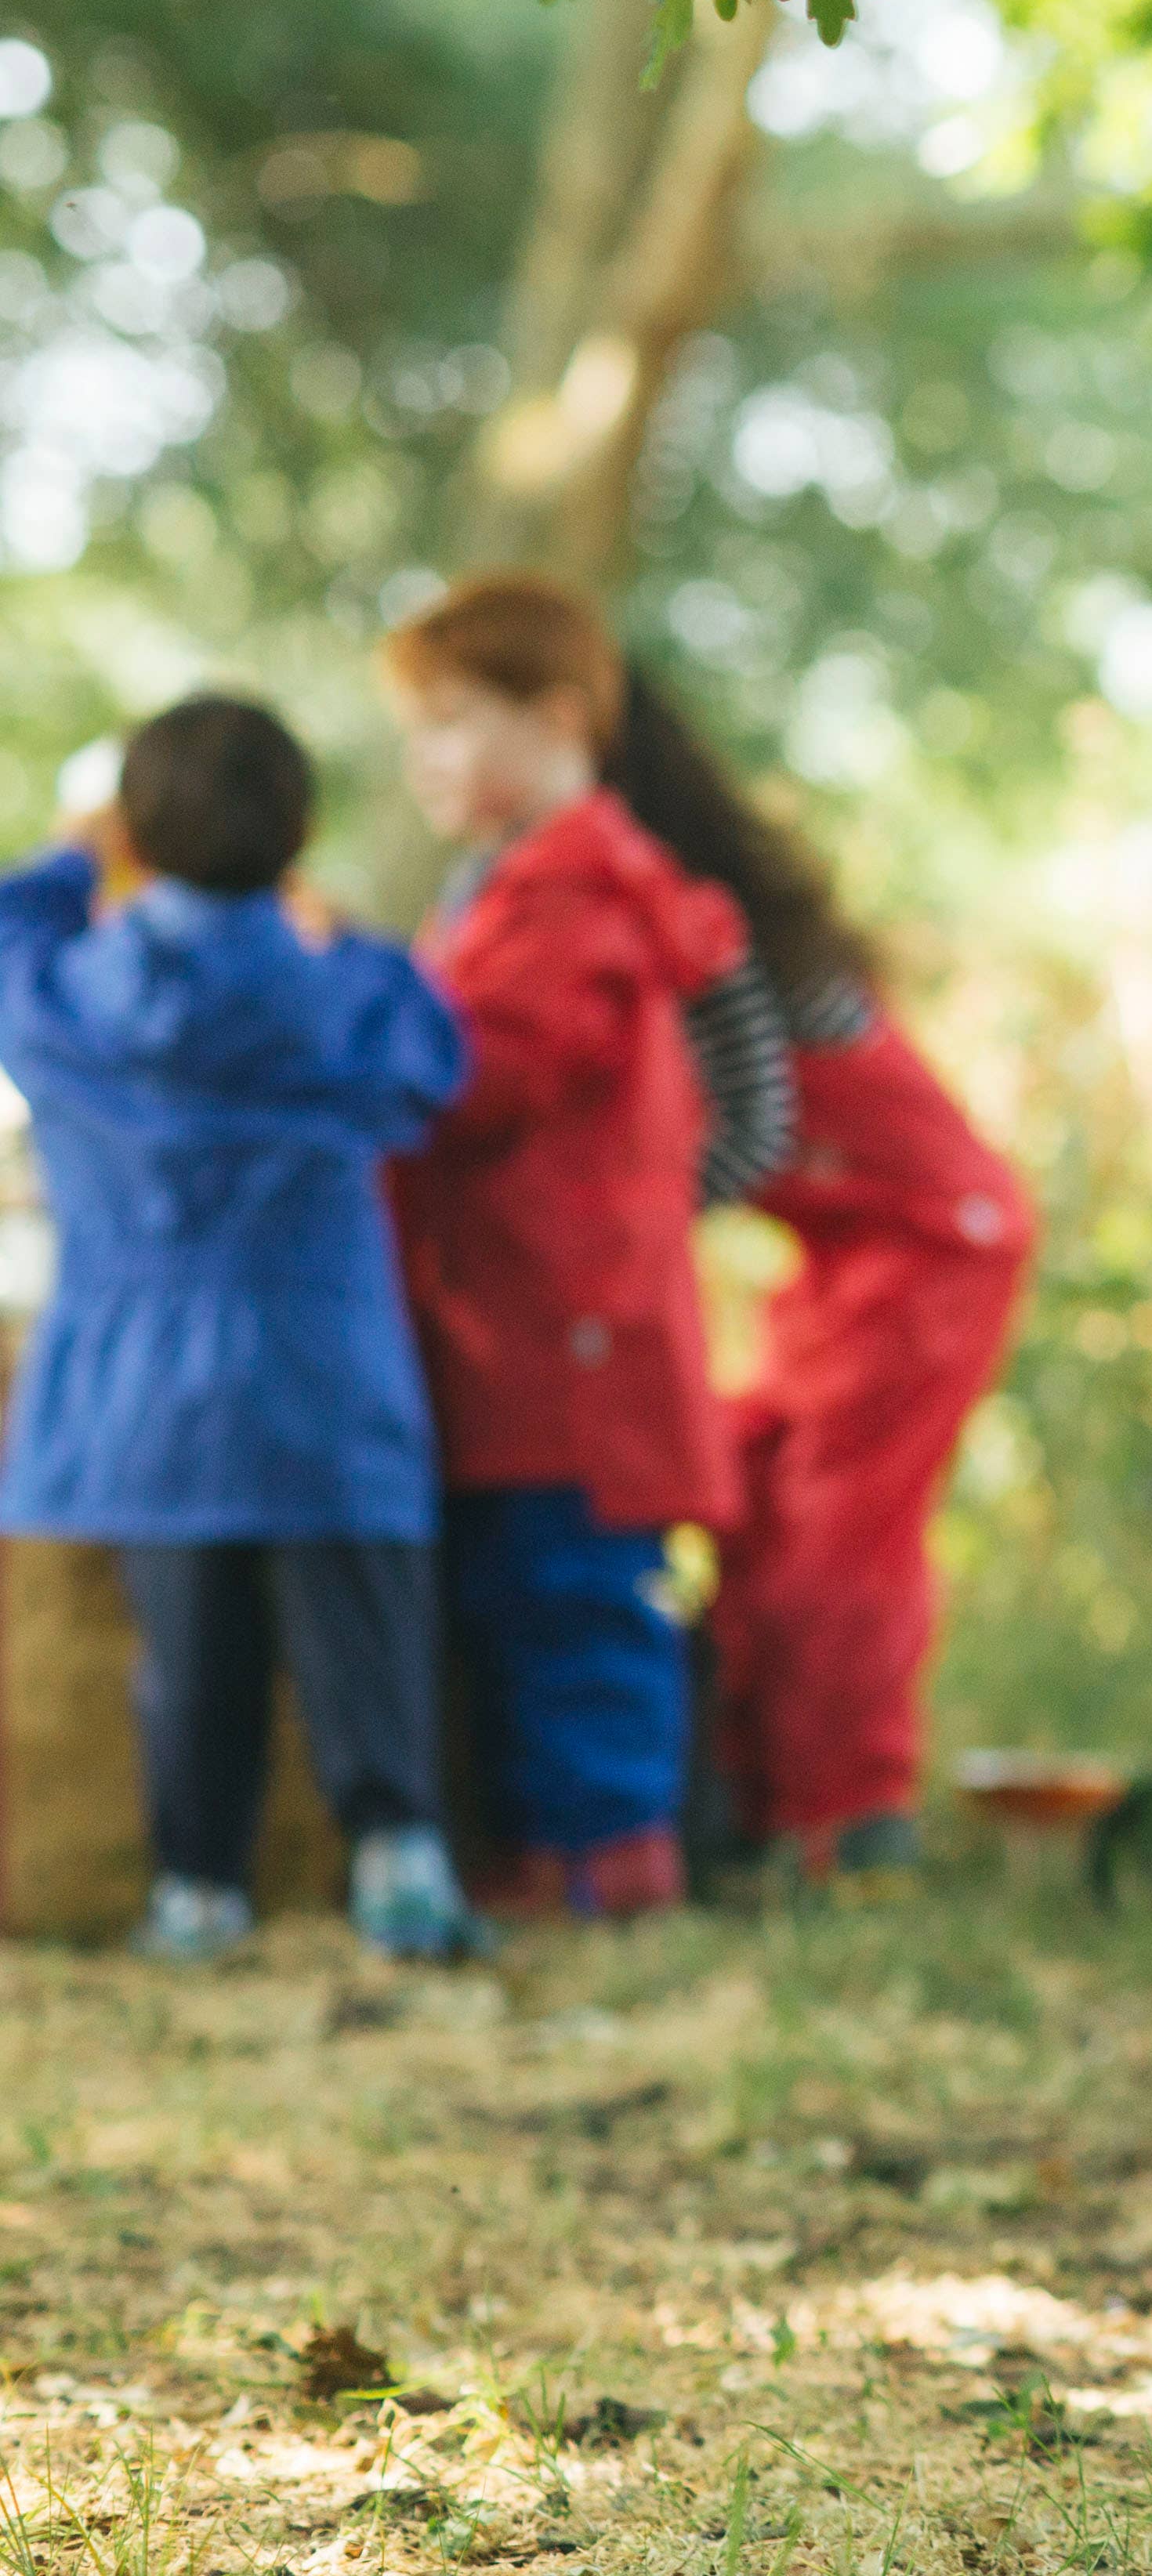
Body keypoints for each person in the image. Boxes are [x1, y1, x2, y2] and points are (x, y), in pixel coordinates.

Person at [0, 697, 485, 1963]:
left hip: (141, 1380)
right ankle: (399, 1861)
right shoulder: (347, 996)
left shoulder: (65, 1001)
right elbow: (437, 1056)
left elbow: (11, 929)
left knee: (190, 1644)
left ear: (133, 839)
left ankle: (199, 1893)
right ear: (300, 835)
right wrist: (311, 915)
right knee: (361, 1621)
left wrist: (77, 853)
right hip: (323, 1362)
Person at [603, 666, 1030, 1887]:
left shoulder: (712, 930)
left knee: (838, 1533)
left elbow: (744, 1124)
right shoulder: (677, 912)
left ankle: (848, 1821)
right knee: (752, 1492)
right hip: (844, 1256)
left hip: (935, 1242)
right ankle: (757, 1796)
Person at [379, 577, 744, 1922]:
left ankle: (611, 1853)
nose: (426, 757)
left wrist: (358, 1023)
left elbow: (479, 1075)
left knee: (577, 1600)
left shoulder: (575, 889)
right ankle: (564, 1841)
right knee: (522, 1594)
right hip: (520, 1331)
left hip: (573, 1345)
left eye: (454, 722)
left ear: (560, 718)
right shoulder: (506, 884)